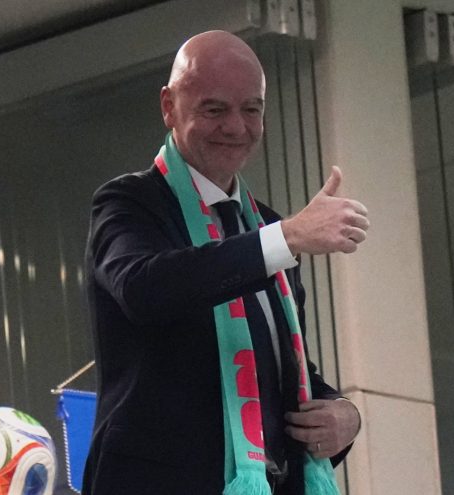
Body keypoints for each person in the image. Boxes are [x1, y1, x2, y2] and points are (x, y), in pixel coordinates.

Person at [83, 30, 368, 494]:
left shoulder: (268, 228)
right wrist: (286, 238)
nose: (236, 127)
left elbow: (279, 375)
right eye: (214, 110)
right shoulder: (128, 202)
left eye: (251, 109)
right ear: (169, 106)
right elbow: (145, 290)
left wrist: (345, 415)